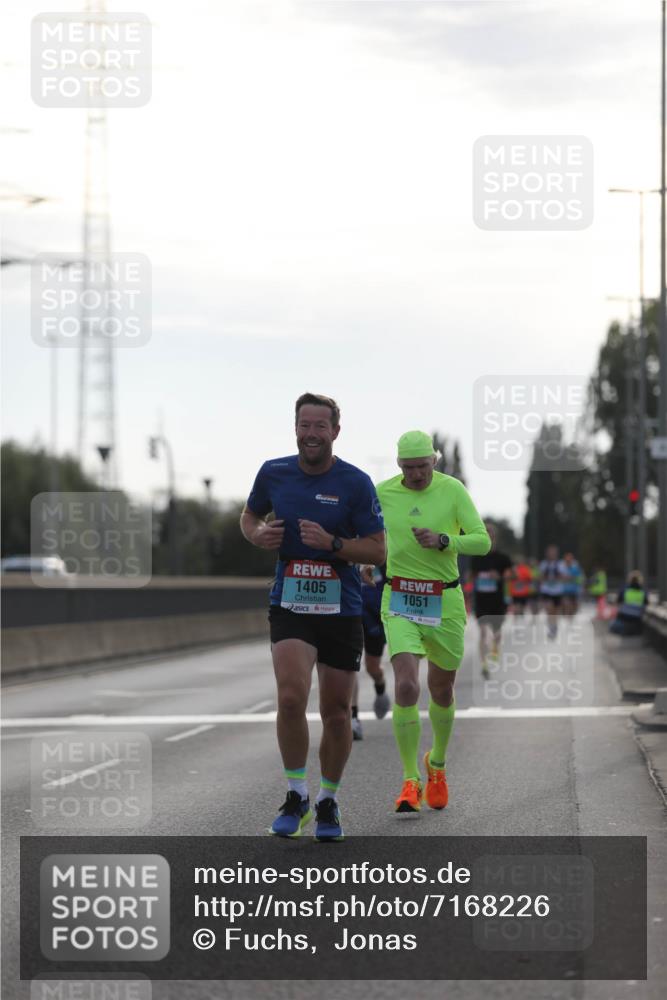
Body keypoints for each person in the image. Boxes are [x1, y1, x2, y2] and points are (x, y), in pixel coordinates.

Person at [240, 393, 386, 841]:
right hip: (291, 603)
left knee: (338, 712)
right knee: (289, 698)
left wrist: (334, 544)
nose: (311, 434)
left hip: (341, 606)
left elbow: (379, 549)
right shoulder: (274, 472)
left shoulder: (356, 483)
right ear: (295, 428)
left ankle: (328, 801)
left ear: (335, 432)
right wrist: (258, 534)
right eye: (304, 425)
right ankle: (295, 792)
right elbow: (249, 517)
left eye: (320, 426)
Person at [376, 430, 490, 814]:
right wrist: (362, 559)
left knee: (441, 690)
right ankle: (410, 781)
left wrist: (445, 541)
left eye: (423, 466)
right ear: (398, 466)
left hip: (444, 600)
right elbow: (365, 533)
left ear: (434, 461)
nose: (416, 474)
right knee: (406, 686)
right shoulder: (382, 492)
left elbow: (481, 541)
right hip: (399, 598)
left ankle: (436, 765)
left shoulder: (452, 490)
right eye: (408, 468)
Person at [350, 563, 391, 740]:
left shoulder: (380, 554)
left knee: (372, 668)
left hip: (375, 618)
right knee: (349, 666)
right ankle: (353, 718)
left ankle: (380, 687)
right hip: (351, 613)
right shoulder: (344, 546)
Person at [470, 524, 513, 678]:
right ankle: (484, 665)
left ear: (495, 538)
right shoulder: (476, 557)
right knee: (482, 633)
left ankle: (495, 650)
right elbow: (471, 577)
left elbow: (512, 576)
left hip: (497, 601)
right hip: (481, 600)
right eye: (485, 535)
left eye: (491, 535)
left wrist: (500, 577)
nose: (488, 538)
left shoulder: (503, 558)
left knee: (496, 633)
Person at [539, 544, 567, 639]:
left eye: (553, 552)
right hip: (547, 590)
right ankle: (551, 627)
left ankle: (554, 626)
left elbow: (564, 577)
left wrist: (557, 577)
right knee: (549, 609)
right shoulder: (544, 564)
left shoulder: (560, 564)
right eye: (550, 552)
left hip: (557, 591)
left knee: (555, 611)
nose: (551, 554)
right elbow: (540, 577)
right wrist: (545, 578)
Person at [609, 571, 648, 636]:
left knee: (612, 626)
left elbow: (618, 601)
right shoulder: (643, 591)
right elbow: (646, 603)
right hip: (637, 617)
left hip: (624, 617)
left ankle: (624, 630)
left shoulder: (625, 590)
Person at [562, 552, 583, 617]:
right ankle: (566, 616)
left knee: (574, 608)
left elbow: (580, 579)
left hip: (574, 590)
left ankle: (571, 616)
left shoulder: (575, 568)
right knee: (566, 606)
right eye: (567, 559)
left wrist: (572, 578)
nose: (568, 560)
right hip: (564, 591)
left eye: (570, 559)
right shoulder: (561, 567)